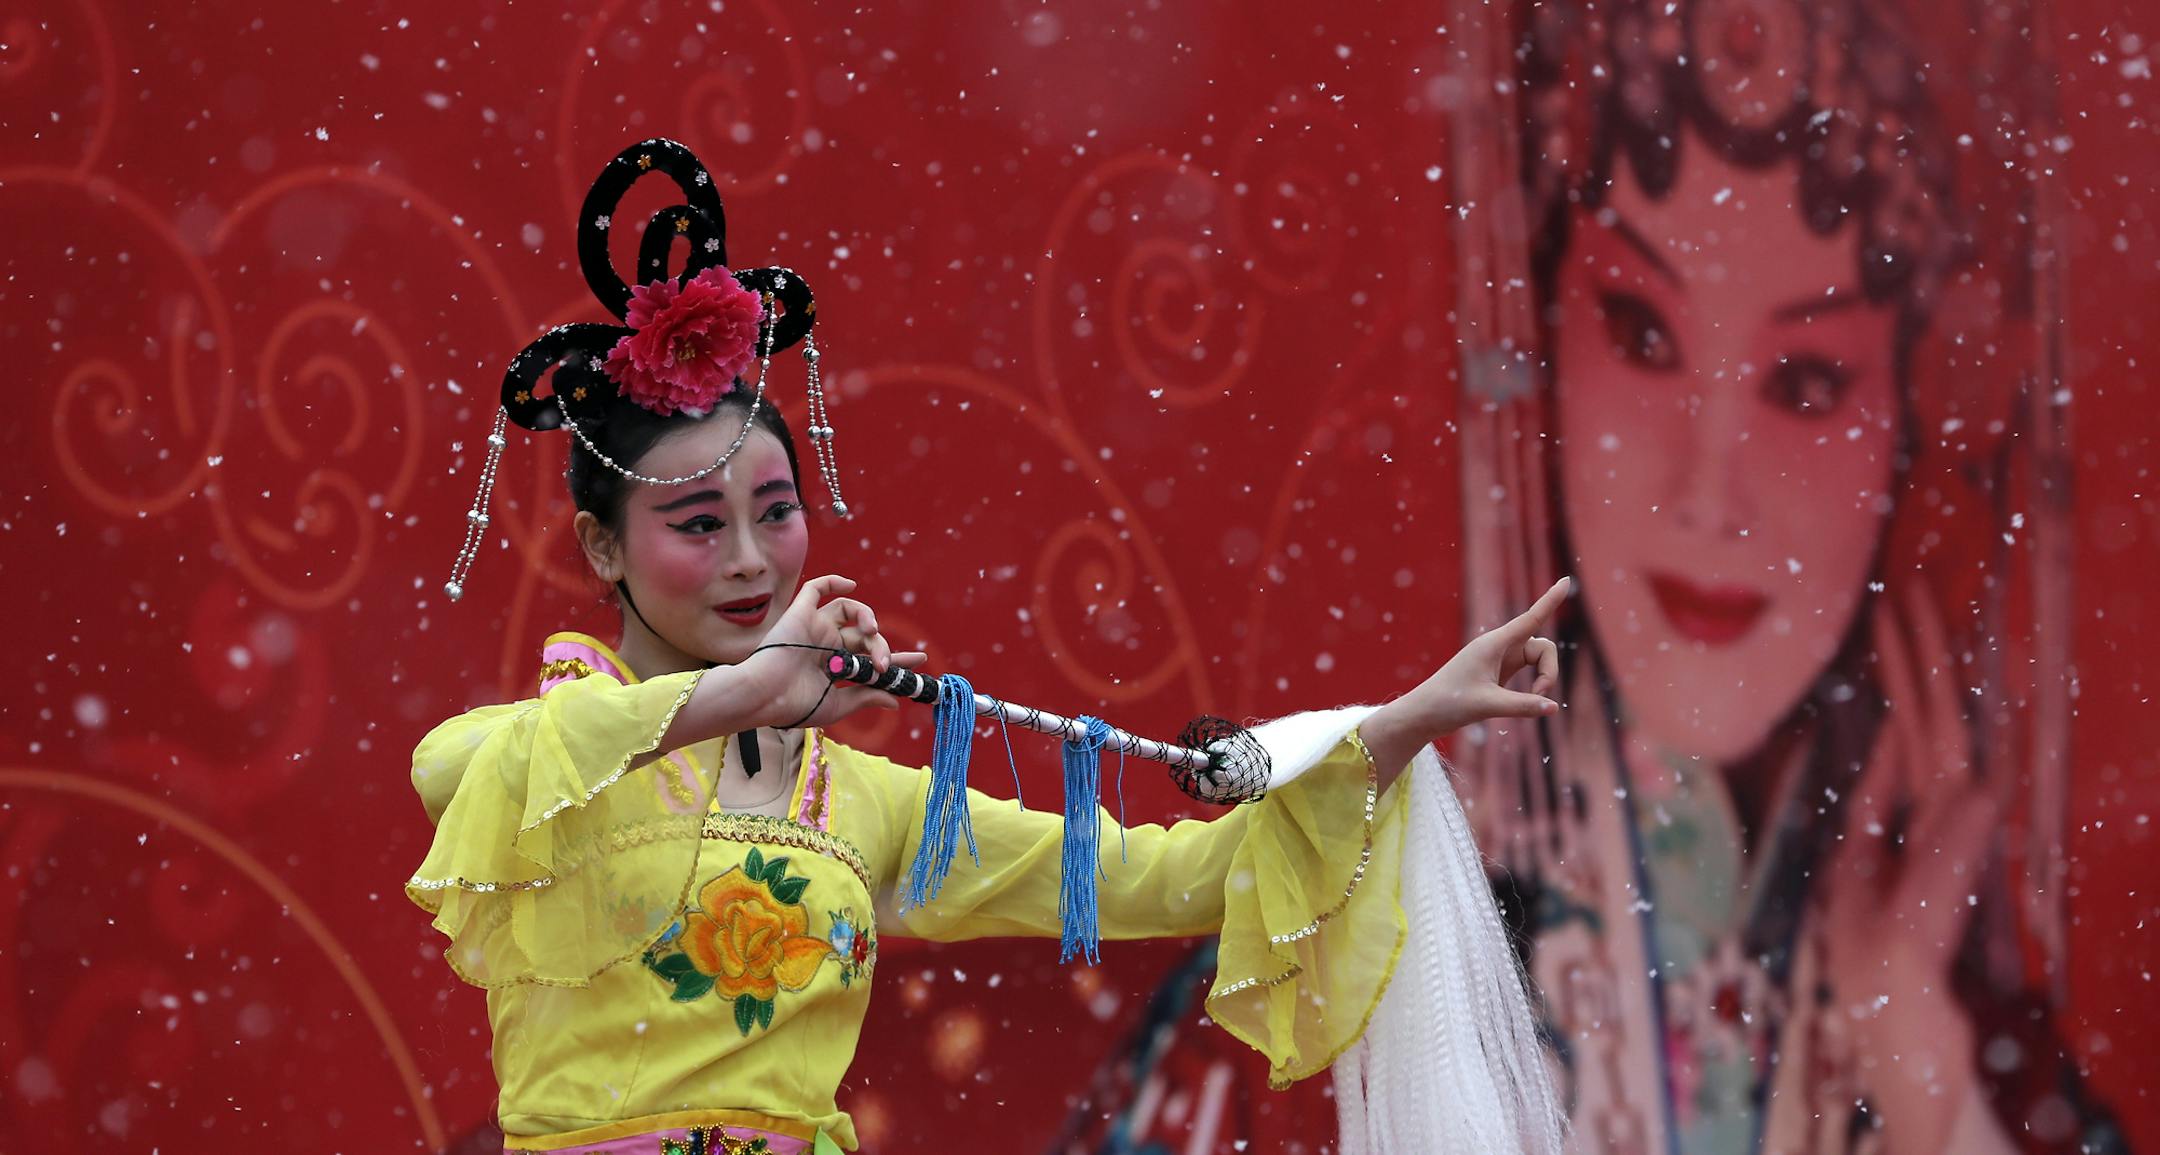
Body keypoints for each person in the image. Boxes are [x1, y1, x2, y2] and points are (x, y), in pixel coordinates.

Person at [407, 138, 1567, 1154]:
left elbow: (1173, 878)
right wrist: (754, 692)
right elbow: (446, 770)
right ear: (602, 548)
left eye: (775, 512)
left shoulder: (860, 804)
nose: (752, 561)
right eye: (699, 525)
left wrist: (1404, 722)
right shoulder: (539, 761)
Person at [1444, 0, 2127, 1150]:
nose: (1712, 493)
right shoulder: (1366, 943)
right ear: (1546, 350)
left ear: (1906, 426)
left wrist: (1918, 1062)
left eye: (1806, 382)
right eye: (1643, 334)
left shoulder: (1965, 1039)